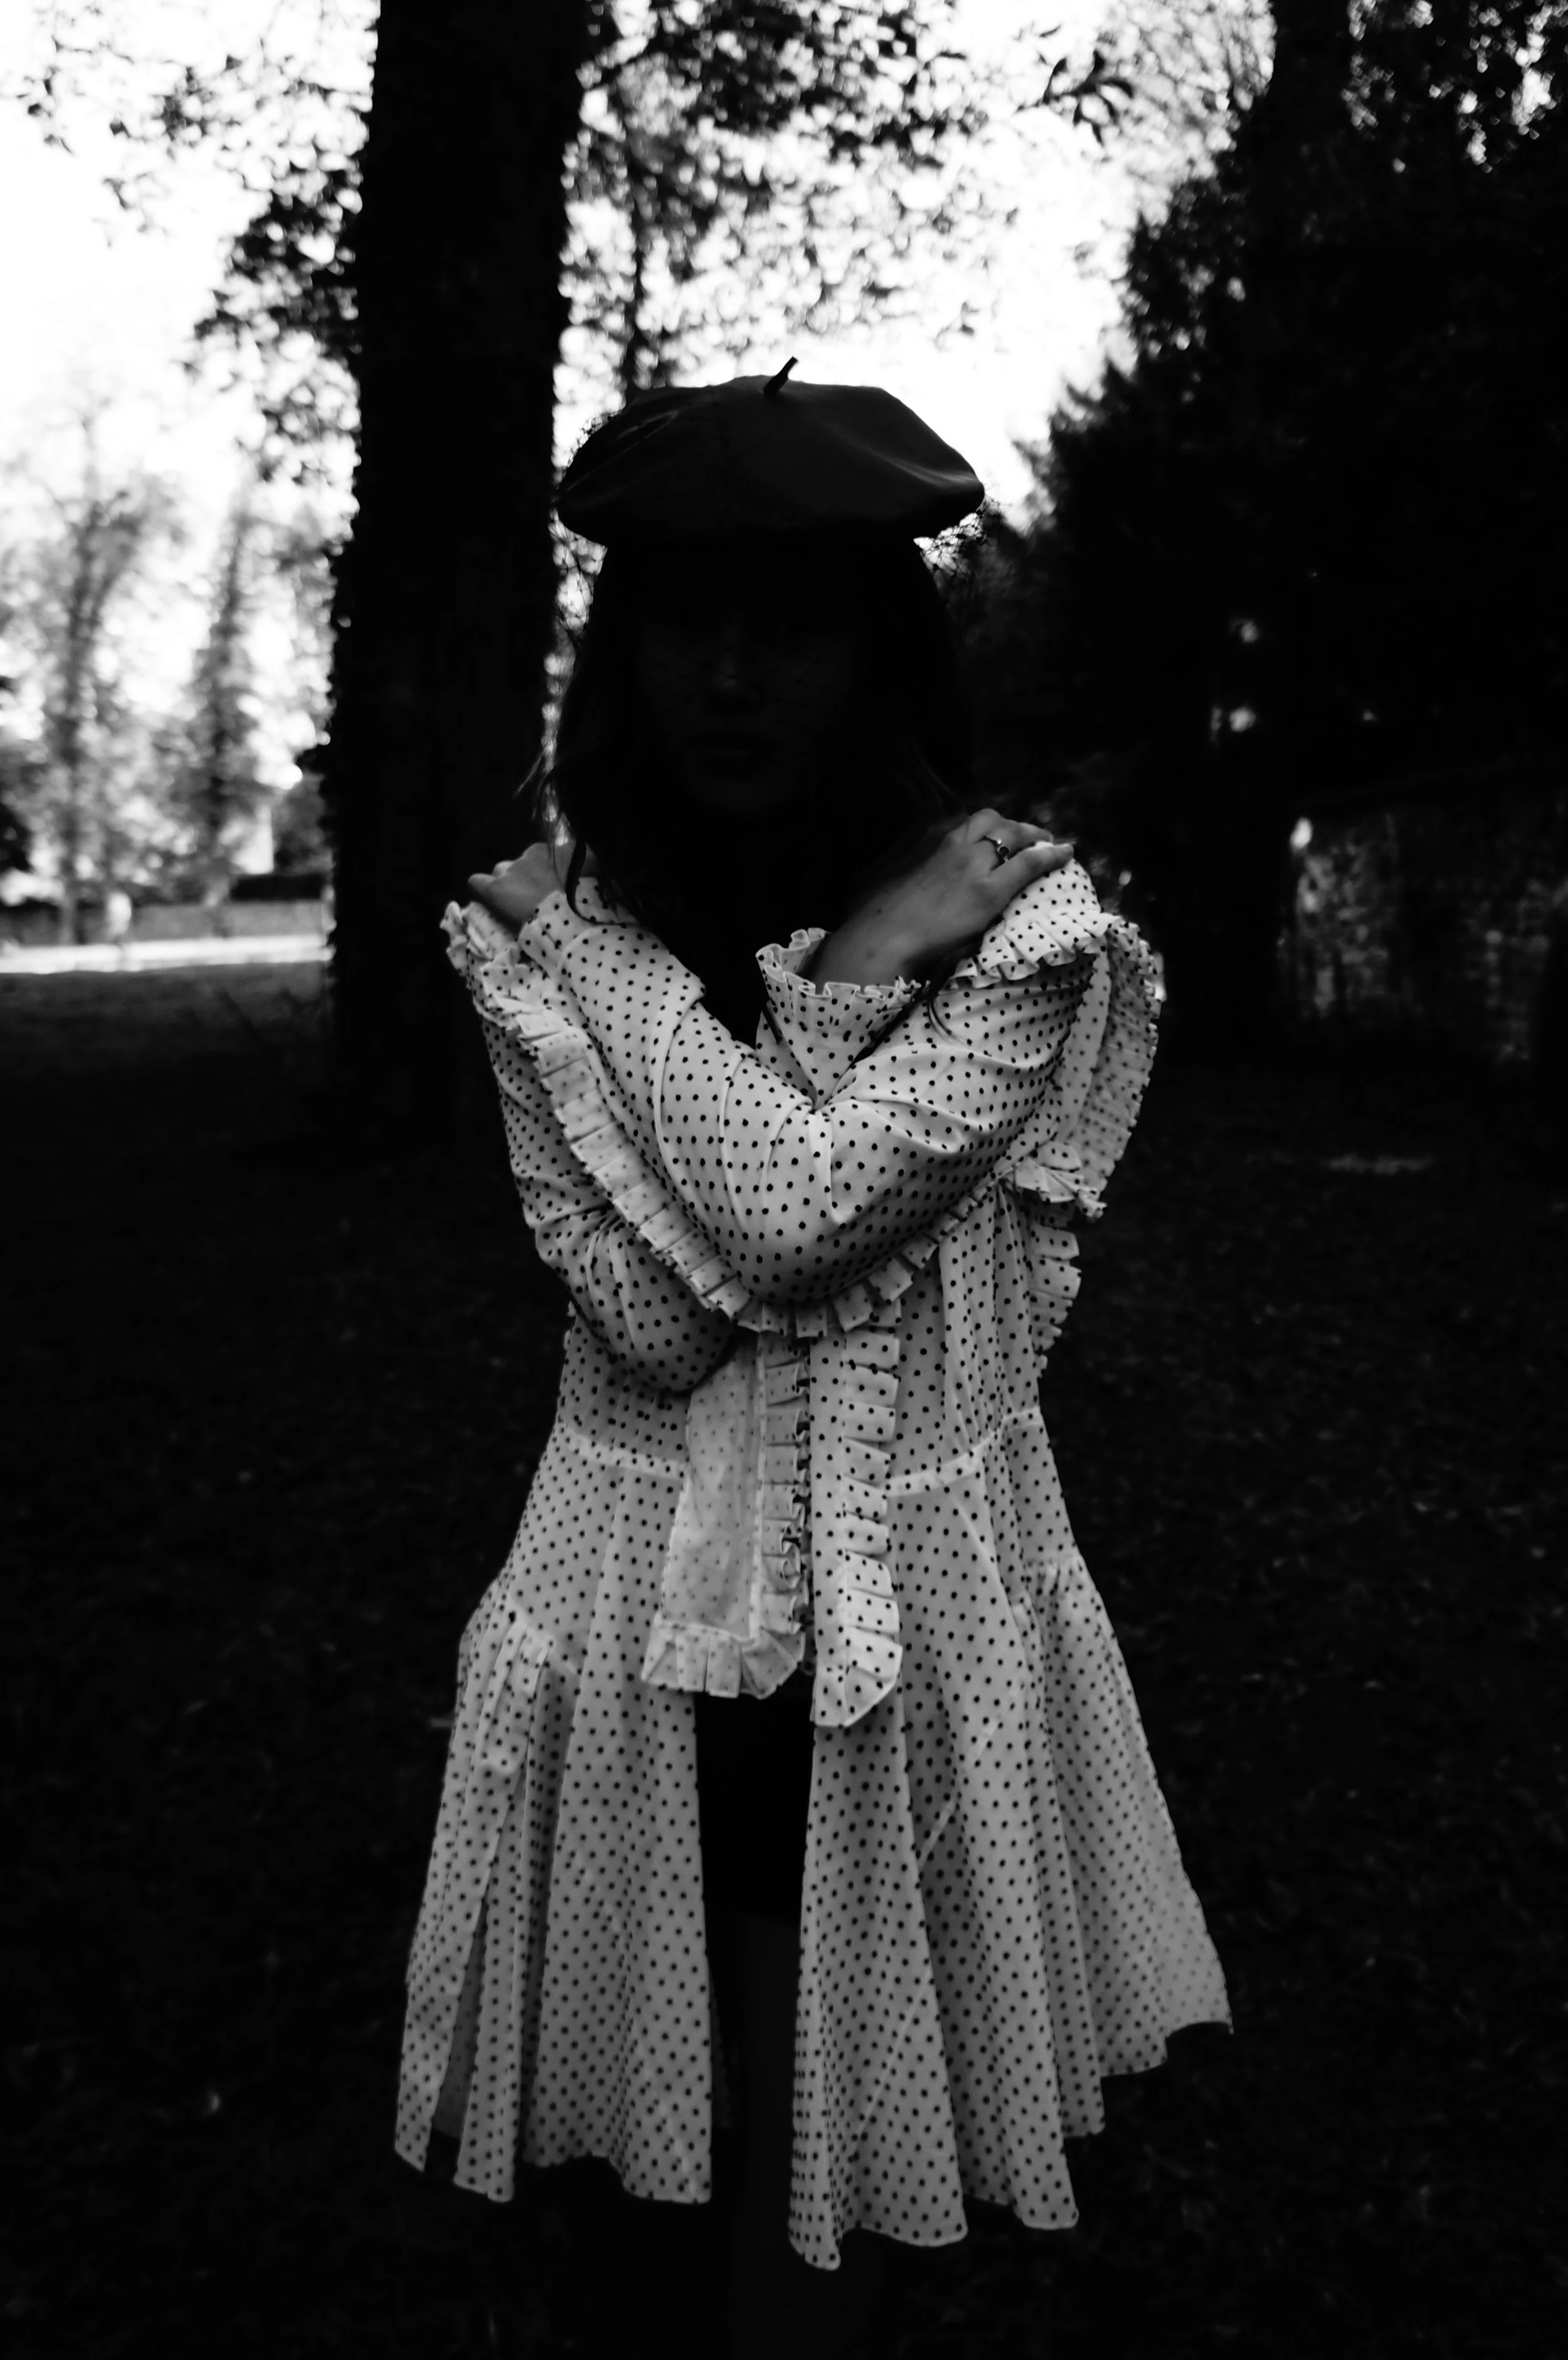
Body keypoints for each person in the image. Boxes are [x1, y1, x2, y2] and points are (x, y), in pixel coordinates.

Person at [395, 368, 1230, 2357]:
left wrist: (785, 984)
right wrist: (713, 1002)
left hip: (884, 1627)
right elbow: (666, 1316)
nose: (733, 680)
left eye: (789, 629)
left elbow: (778, 1219)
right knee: (637, 2179)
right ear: (626, 654)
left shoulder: (1022, 939)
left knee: (814, 2175)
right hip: (625, 1623)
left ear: (879, 651)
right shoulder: (552, 927)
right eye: (687, 627)